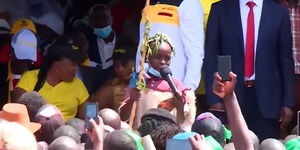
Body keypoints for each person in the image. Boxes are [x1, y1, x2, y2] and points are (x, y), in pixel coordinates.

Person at [204, 0, 295, 140]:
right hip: (230, 98)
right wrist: (217, 97)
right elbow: (215, 54)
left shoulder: (278, 12)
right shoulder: (221, 9)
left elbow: (285, 60)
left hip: (268, 102)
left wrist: (288, 102)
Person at [120, 33, 196, 130]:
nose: (163, 62)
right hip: (142, 137)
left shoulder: (176, 85)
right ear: (147, 57)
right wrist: (132, 99)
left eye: (167, 58)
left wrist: (180, 106)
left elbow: (184, 123)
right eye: (158, 57)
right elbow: (123, 117)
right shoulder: (138, 82)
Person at [135, 0, 204, 91]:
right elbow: (142, 45)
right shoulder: (149, 2)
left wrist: (187, 90)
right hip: (146, 85)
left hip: (173, 89)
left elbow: (195, 52)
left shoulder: (189, 3)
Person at [12, 41, 89, 122]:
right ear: (56, 64)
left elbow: (91, 115)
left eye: (78, 65)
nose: (77, 69)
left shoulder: (78, 84)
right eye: (73, 64)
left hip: (66, 132)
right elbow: (17, 111)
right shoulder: (30, 77)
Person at [79, 4, 116, 94]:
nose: (101, 22)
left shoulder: (122, 41)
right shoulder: (87, 42)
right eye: (96, 19)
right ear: (90, 23)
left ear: (111, 19)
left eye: (104, 17)